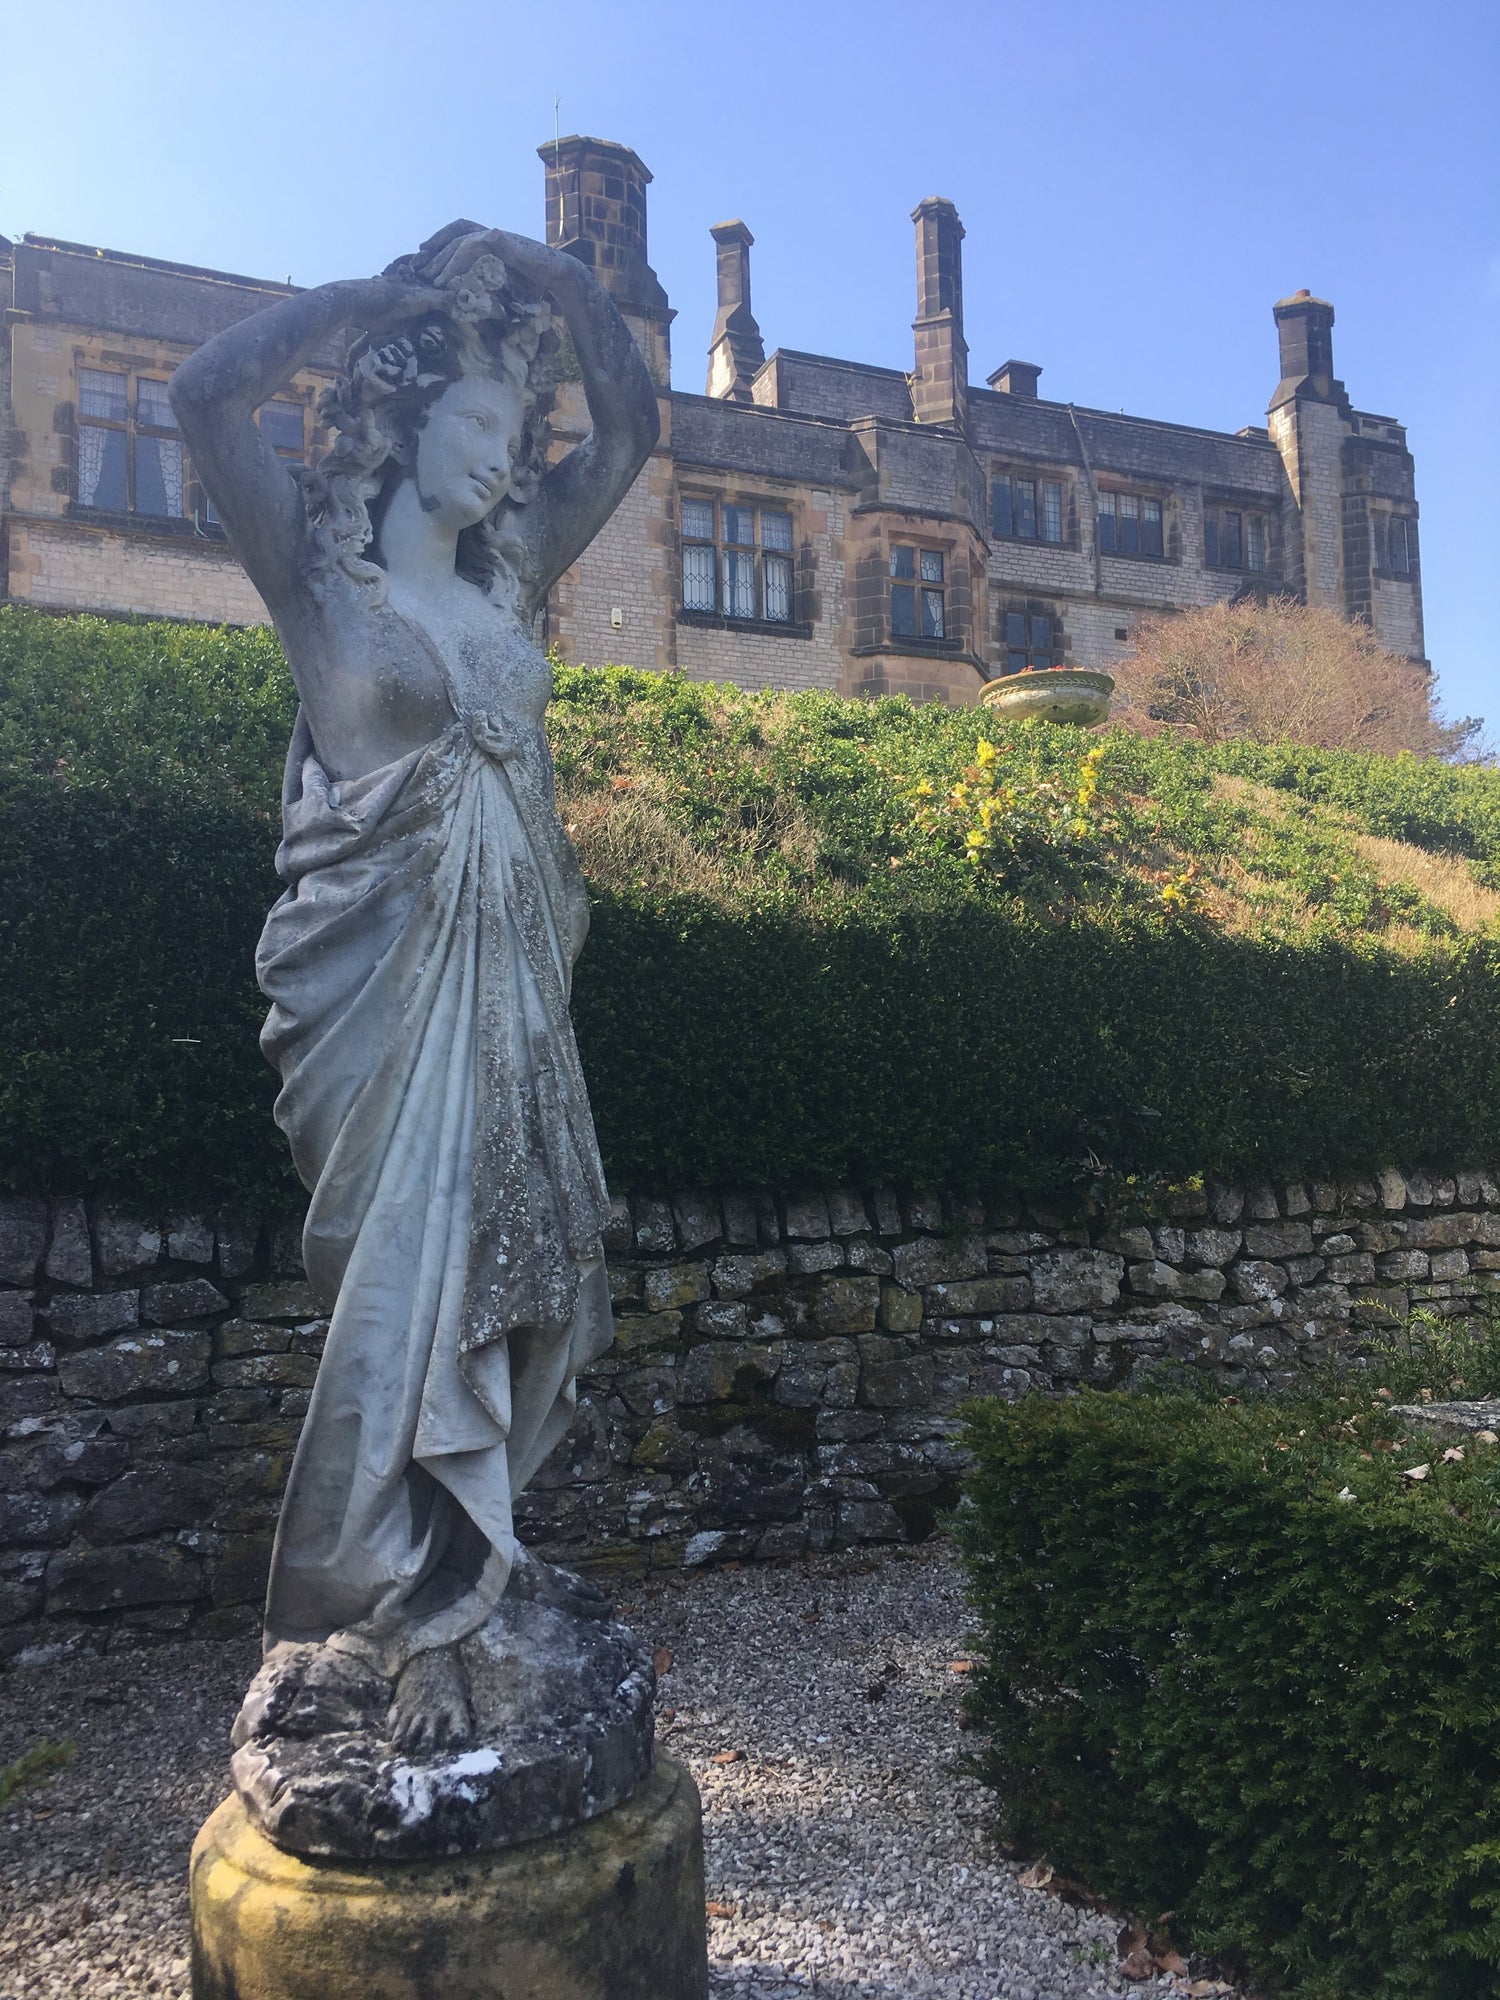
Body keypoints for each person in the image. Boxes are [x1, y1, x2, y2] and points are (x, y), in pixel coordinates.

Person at [170, 223, 659, 1752]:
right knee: (393, 1285)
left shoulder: (512, 586)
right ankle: (381, 1596)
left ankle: (480, 1570)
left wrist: (573, 292)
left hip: (514, 982)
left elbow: (636, 433)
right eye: (475, 429)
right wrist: (341, 311)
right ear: (403, 429)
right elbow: (198, 398)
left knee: (517, 1275)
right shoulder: (320, 588)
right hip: (378, 995)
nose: (504, 464)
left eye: (515, 439)